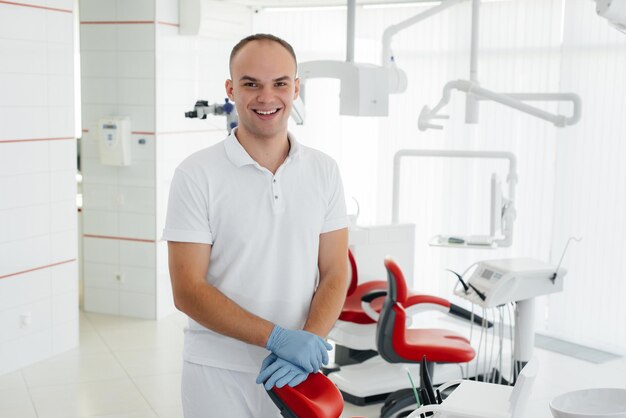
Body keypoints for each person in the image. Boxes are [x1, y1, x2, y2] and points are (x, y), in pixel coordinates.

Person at [163, 33, 349, 418]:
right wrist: (278, 338)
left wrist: (309, 339)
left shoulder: (324, 171)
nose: (267, 98)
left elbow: (335, 270)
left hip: (297, 373)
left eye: (280, 83)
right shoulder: (196, 174)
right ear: (231, 89)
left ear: (295, 88)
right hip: (217, 373)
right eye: (251, 84)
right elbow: (187, 290)